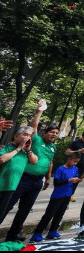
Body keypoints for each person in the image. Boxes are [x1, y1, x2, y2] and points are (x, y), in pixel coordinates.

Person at [5, 100, 57, 243]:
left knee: (25, 209)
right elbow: (34, 126)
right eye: (52, 132)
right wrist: (39, 111)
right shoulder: (36, 139)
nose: (54, 135)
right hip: (23, 179)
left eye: (56, 133)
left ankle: (13, 235)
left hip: (37, 181)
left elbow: (50, 162)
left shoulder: (53, 147)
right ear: (45, 133)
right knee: (7, 205)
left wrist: (47, 178)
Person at [29, 153, 81, 243]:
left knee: (59, 215)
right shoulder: (61, 169)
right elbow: (57, 183)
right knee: (49, 215)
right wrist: (69, 180)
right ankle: (37, 233)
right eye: (74, 161)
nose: (75, 163)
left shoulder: (75, 169)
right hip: (57, 196)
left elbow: (74, 182)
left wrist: (77, 181)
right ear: (69, 159)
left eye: (77, 162)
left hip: (67, 195)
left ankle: (52, 231)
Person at [0, 126, 38, 236]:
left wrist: (27, 149)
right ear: (16, 136)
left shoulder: (25, 151)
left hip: (10, 188)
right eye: (25, 134)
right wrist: (17, 149)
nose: (28, 137)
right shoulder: (7, 147)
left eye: (30, 135)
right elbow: (2, 159)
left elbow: (34, 161)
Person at [65, 117, 84, 202]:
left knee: (77, 180)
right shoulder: (76, 142)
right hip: (73, 163)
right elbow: (67, 151)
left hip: (83, 163)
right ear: (82, 136)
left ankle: (70, 195)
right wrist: (77, 150)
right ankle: (64, 194)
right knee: (69, 178)